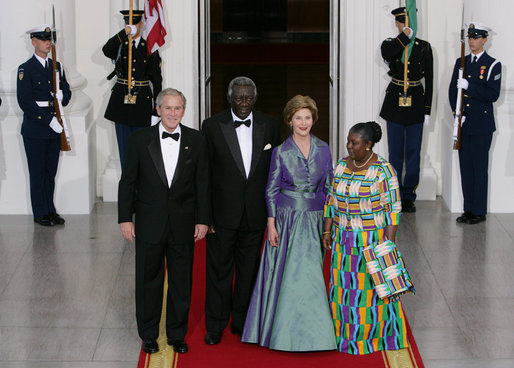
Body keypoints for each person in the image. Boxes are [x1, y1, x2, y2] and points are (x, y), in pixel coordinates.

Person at [118, 88, 210, 354]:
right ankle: (148, 334)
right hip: (149, 222)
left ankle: (176, 334)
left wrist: (203, 219)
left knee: (181, 280)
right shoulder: (139, 139)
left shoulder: (197, 139)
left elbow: (203, 183)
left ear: (184, 110)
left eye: (178, 108)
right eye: (167, 108)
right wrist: (125, 219)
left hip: (183, 223)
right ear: (158, 109)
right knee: (149, 278)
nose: (172, 113)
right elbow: (128, 182)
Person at [241, 95, 335, 351]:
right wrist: (271, 224)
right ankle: (282, 333)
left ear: (313, 119)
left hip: (315, 219)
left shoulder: (324, 149)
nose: (303, 122)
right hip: (287, 219)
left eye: (307, 117)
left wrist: (329, 224)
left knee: (312, 275)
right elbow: (271, 189)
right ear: (290, 120)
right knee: (287, 277)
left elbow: (329, 188)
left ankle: (318, 335)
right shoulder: (280, 152)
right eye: (298, 118)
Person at [322, 121, 414, 355]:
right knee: (343, 291)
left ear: (369, 144)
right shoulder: (342, 165)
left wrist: (388, 245)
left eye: (354, 142)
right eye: (348, 141)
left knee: (370, 293)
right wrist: (327, 230)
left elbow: (393, 208)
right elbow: (331, 200)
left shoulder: (384, 170)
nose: (349, 146)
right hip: (343, 240)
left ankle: (370, 339)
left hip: (370, 240)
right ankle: (341, 336)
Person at [201, 76, 280, 345]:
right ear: (229, 98)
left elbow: (275, 173)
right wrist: (205, 216)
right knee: (218, 273)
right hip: (221, 215)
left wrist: (273, 215)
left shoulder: (270, 125)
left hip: (255, 215)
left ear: (255, 98)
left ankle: (242, 322)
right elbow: (205, 174)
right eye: (238, 97)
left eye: (248, 97)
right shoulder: (211, 126)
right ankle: (215, 325)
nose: (244, 103)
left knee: (248, 272)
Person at [379, 7, 433, 213]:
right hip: (395, 102)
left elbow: (430, 78)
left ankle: (409, 194)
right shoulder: (391, 44)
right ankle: (395, 194)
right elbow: (388, 53)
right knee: (395, 153)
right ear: (397, 24)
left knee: (413, 152)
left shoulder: (424, 47)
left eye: (408, 23)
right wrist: (404, 37)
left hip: (416, 102)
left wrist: (427, 109)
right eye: (401, 22)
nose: (404, 25)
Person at [17, 25, 71, 227]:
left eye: (50, 39)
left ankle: (50, 209)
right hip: (36, 128)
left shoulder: (57, 67)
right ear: (33, 42)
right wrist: (48, 120)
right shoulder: (26, 69)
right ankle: (40, 212)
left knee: (50, 171)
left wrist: (62, 96)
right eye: (43, 39)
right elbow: (25, 102)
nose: (48, 42)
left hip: (55, 127)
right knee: (38, 172)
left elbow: (66, 93)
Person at [449, 22, 501, 225]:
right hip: (464, 123)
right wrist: (456, 112)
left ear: (484, 40)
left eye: (476, 37)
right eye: (470, 37)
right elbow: (453, 92)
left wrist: (469, 86)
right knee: (465, 168)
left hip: (481, 125)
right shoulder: (460, 62)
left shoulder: (492, 64)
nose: (472, 41)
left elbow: (492, 94)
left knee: (479, 168)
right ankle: (468, 208)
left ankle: (479, 211)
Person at [103, 9, 162, 167]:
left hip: (142, 104)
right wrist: (124, 33)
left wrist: (157, 109)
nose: (132, 26)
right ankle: (127, 190)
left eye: (135, 23)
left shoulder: (149, 47)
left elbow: (157, 81)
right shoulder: (120, 46)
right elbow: (106, 49)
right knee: (125, 153)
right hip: (121, 104)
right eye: (128, 23)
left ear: (141, 24)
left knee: (142, 154)